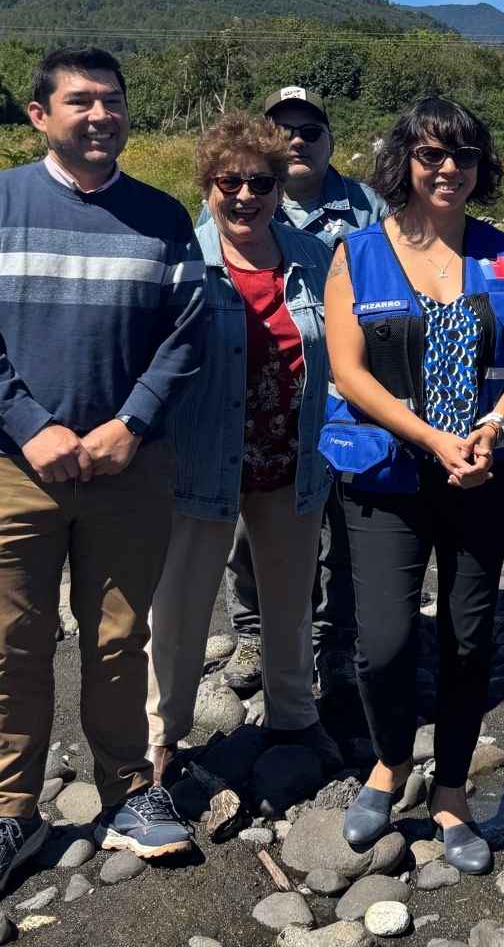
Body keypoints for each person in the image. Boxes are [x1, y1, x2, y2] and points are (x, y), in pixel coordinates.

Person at [0, 46, 203, 900]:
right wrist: (30, 425)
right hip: (9, 469)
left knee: (119, 640)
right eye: (80, 101)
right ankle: (11, 811)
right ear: (39, 114)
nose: (100, 115)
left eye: (112, 100)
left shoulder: (161, 217)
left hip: (128, 467)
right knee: (11, 646)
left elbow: (188, 334)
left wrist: (132, 423)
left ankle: (128, 791)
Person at [326, 97, 504, 874]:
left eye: (464, 155)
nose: (448, 168)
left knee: (468, 638)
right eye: (431, 155)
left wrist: (493, 430)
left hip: (481, 476)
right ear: (405, 163)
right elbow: (349, 371)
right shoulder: (358, 253)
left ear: (482, 166)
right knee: (384, 642)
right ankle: (389, 763)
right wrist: (430, 437)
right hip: (386, 474)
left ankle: (451, 790)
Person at [142, 112, 341, 783]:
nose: (246, 195)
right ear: (207, 186)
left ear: (281, 187)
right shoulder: (181, 259)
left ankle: (295, 715)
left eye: (261, 182)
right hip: (202, 463)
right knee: (177, 610)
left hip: (293, 459)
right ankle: (160, 739)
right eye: (230, 182)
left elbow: (343, 353)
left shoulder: (315, 258)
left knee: (290, 603)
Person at [220, 86, 389, 699]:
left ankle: (334, 638)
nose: (296, 140)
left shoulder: (367, 206)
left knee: (345, 523)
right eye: (282, 129)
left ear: (330, 141)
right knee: (250, 528)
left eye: (310, 130)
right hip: (262, 399)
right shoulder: (233, 196)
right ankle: (252, 630)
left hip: (349, 394)